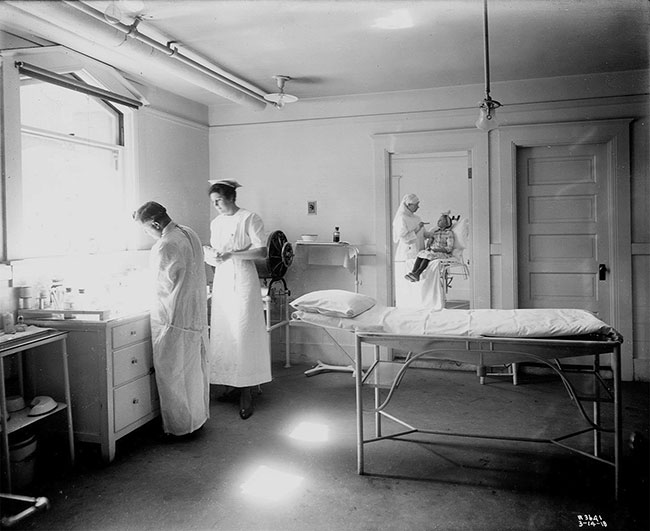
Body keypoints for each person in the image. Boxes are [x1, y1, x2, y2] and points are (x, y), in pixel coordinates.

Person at [133, 201, 209, 438]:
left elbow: (160, 285)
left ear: (155, 223)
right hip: (194, 314)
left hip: (173, 318)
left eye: (147, 230)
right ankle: (196, 420)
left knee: (173, 374)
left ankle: (180, 428)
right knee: (194, 372)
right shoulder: (189, 233)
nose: (148, 234)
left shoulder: (165, 245)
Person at [204, 179, 271, 420]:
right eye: (213, 203)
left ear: (231, 197)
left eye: (219, 201)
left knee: (243, 330)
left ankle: (247, 390)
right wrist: (213, 256)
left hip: (243, 279)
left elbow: (261, 251)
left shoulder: (249, 218)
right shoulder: (217, 222)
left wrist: (232, 254)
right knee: (225, 332)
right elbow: (215, 252)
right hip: (223, 279)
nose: (216, 206)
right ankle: (232, 384)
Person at [405, 211, 455, 282]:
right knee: (421, 254)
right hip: (432, 251)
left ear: (446, 224)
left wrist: (437, 250)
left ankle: (417, 273)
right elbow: (430, 243)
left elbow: (449, 248)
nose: (438, 221)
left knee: (428, 256)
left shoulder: (449, 233)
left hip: (442, 252)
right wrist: (429, 243)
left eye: (441, 220)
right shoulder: (435, 232)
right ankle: (413, 273)